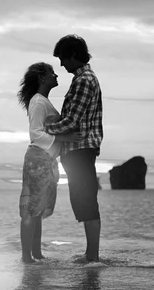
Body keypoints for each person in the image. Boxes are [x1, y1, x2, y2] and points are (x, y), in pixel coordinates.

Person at [44, 34, 103, 262]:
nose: (61, 64)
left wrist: (47, 127)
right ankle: (91, 254)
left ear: (73, 55)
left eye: (62, 58)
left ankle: (93, 257)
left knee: (86, 201)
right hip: (79, 149)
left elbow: (72, 121)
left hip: (80, 149)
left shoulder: (83, 80)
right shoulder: (84, 78)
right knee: (83, 200)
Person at [17, 62, 83, 264]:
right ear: (41, 78)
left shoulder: (42, 101)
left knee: (36, 210)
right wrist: (64, 139)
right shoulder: (38, 102)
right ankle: (27, 257)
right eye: (51, 73)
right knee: (31, 209)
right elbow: (35, 133)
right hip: (38, 158)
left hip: (44, 158)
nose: (56, 75)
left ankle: (36, 255)